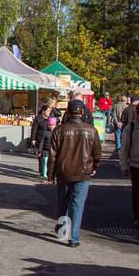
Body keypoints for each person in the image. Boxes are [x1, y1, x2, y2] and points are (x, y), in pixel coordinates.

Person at [50, 98, 101, 248]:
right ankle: (74, 237)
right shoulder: (91, 130)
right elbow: (97, 153)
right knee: (77, 205)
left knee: (63, 202)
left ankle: (63, 230)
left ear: (68, 112)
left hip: (64, 172)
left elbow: (52, 154)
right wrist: (95, 166)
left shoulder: (60, 130)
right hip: (83, 172)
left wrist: (50, 174)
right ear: (82, 112)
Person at [34, 105, 56, 180]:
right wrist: (33, 139)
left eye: (50, 111)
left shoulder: (50, 119)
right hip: (40, 139)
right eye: (48, 111)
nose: (49, 112)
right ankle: (42, 171)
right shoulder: (38, 119)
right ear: (43, 111)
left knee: (49, 160)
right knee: (42, 159)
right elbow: (34, 129)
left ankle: (48, 172)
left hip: (48, 142)